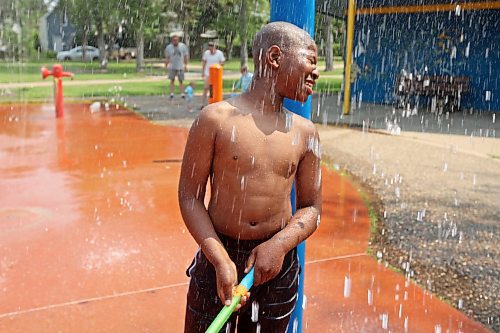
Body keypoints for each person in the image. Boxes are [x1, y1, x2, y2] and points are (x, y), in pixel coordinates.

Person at [179, 21, 321, 333]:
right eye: (310, 60)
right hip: (218, 251)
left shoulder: (305, 132)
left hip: (277, 264)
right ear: (274, 57)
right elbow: (189, 197)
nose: (316, 72)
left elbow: (311, 208)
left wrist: (280, 245)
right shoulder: (214, 120)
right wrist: (218, 259)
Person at [165, 34, 189, 101]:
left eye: (176, 40)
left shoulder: (183, 46)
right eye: (174, 40)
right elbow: (167, 57)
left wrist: (186, 65)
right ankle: (172, 94)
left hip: (180, 66)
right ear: (172, 41)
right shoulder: (169, 47)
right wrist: (166, 65)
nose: (175, 41)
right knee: (172, 80)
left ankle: (182, 94)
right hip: (172, 66)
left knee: (181, 80)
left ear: (178, 40)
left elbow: (185, 56)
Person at [201, 41, 225, 107]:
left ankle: (216, 102)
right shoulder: (206, 53)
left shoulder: (219, 53)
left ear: (215, 46)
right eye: (209, 46)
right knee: (206, 88)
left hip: (216, 74)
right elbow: (204, 63)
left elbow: (222, 62)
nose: (210, 47)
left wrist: (218, 67)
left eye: (212, 46)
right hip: (208, 73)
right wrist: (203, 72)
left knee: (216, 88)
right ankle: (203, 104)